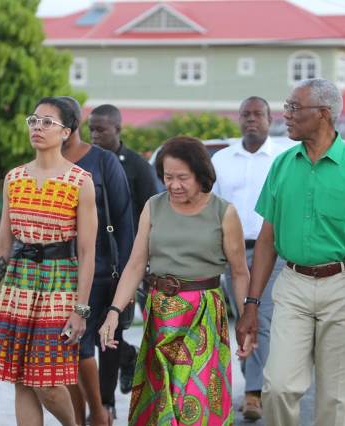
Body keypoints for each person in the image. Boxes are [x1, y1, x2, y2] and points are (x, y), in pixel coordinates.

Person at [237, 78, 345, 426]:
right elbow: (266, 241)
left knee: (334, 398)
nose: (286, 114)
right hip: (292, 283)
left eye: (294, 107)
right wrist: (251, 304)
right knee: (278, 386)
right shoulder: (281, 165)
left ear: (323, 114)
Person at [98, 136, 253, 425]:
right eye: (168, 177)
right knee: (162, 400)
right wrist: (113, 312)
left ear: (201, 175)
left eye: (183, 177)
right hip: (160, 314)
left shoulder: (223, 212)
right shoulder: (153, 207)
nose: (174, 185)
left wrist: (245, 320)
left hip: (203, 315)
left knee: (192, 398)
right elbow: (134, 265)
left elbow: (240, 271)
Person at [0, 96, 98, 426]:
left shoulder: (80, 182)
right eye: (34, 120)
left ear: (67, 132)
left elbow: (87, 253)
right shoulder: (14, 178)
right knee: (21, 380)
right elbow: (3, 244)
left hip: (59, 285)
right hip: (17, 283)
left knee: (48, 384)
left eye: (48, 122)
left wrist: (81, 309)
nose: (37, 127)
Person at [211, 95, 286, 421]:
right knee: (243, 317)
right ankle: (255, 382)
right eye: (245, 114)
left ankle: (254, 392)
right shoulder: (222, 160)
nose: (251, 119)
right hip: (234, 251)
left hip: (273, 250)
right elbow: (211, 207)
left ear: (270, 120)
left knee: (263, 317)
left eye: (257, 114)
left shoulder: (283, 157)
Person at [61, 96, 135, 426]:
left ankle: (100, 411)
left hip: (102, 271)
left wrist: (127, 278)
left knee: (87, 348)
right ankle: (85, 415)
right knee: (68, 351)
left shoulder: (104, 162)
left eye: (50, 120)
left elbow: (123, 220)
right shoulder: (42, 164)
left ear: (69, 125)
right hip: (55, 273)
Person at [88, 104, 158, 399]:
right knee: (92, 328)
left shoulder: (136, 166)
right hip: (94, 257)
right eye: (90, 129)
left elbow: (153, 211)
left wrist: (143, 264)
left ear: (118, 130)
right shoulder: (86, 162)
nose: (93, 135)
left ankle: (107, 405)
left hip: (128, 259)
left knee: (113, 330)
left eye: (100, 130)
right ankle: (128, 356)